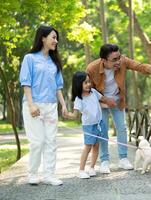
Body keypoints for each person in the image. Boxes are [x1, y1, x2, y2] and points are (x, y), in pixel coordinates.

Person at [86, 43, 151, 174]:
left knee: (122, 128)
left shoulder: (123, 61)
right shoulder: (92, 68)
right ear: (104, 60)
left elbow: (142, 67)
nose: (118, 61)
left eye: (119, 57)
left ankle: (123, 158)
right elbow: (89, 89)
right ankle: (105, 161)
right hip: (100, 102)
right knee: (103, 130)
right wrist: (105, 100)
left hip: (118, 101)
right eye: (114, 59)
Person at [19, 25, 68, 186]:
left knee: (51, 141)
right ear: (43, 38)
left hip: (51, 106)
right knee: (37, 141)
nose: (56, 40)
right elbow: (26, 83)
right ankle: (32, 173)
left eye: (56, 37)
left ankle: (49, 175)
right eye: (53, 37)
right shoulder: (30, 58)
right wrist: (31, 105)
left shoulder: (54, 62)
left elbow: (58, 86)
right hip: (34, 105)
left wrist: (63, 106)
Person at [64, 72, 115, 178]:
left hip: (99, 124)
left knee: (96, 146)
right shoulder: (79, 99)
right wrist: (68, 115)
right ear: (79, 84)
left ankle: (92, 168)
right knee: (88, 147)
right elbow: (75, 114)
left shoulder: (94, 92)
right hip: (89, 126)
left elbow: (103, 99)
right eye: (85, 82)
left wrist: (111, 103)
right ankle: (81, 170)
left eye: (89, 81)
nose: (88, 84)